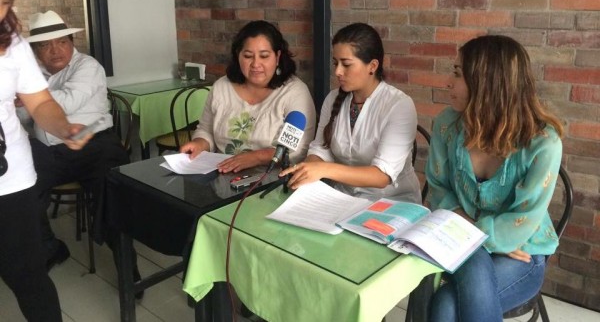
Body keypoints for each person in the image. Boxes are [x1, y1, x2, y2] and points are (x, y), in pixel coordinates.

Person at [426, 35, 564, 322]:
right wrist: (480, 237)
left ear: (488, 84)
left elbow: (524, 219)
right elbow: (439, 191)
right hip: (463, 239)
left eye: (457, 74)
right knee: (456, 286)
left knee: (445, 305)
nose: (447, 83)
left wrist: (473, 234)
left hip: (522, 252)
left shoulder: (543, 143)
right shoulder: (446, 125)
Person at [0, 0, 91, 321]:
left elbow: (40, 103)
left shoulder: (15, 43)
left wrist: (64, 127)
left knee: (28, 274)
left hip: (11, 177)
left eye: (5, 2)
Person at [24, 10, 129, 270]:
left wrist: (27, 96)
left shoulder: (88, 66)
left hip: (95, 144)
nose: (55, 49)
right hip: (50, 152)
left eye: (61, 41)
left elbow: (68, 103)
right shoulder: (31, 75)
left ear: (72, 43)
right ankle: (51, 248)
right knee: (21, 191)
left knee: (112, 193)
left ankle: (128, 267)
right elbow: (21, 117)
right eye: (45, 45)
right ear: (36, 51)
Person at [281, 22, 421, 203]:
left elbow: (381, 176)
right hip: (343, 199)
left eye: (346, 64)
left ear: (372, 66)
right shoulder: (333, 99)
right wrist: (308, 168)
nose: (338, 71)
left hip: (390, 203)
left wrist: (324, 169)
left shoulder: (399, 105)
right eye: (335, 63)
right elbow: (320, 149)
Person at [180, 20, 316, 173]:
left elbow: (298, 149)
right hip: (222, 177)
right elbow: (206, 130)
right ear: (238, 56)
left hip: (272, 182)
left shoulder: (294, 92)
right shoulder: (221, 87)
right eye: (248, 56)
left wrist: (255, 157)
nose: (256, 64)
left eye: (264, 56)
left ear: (277, 57)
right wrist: (199, 143)